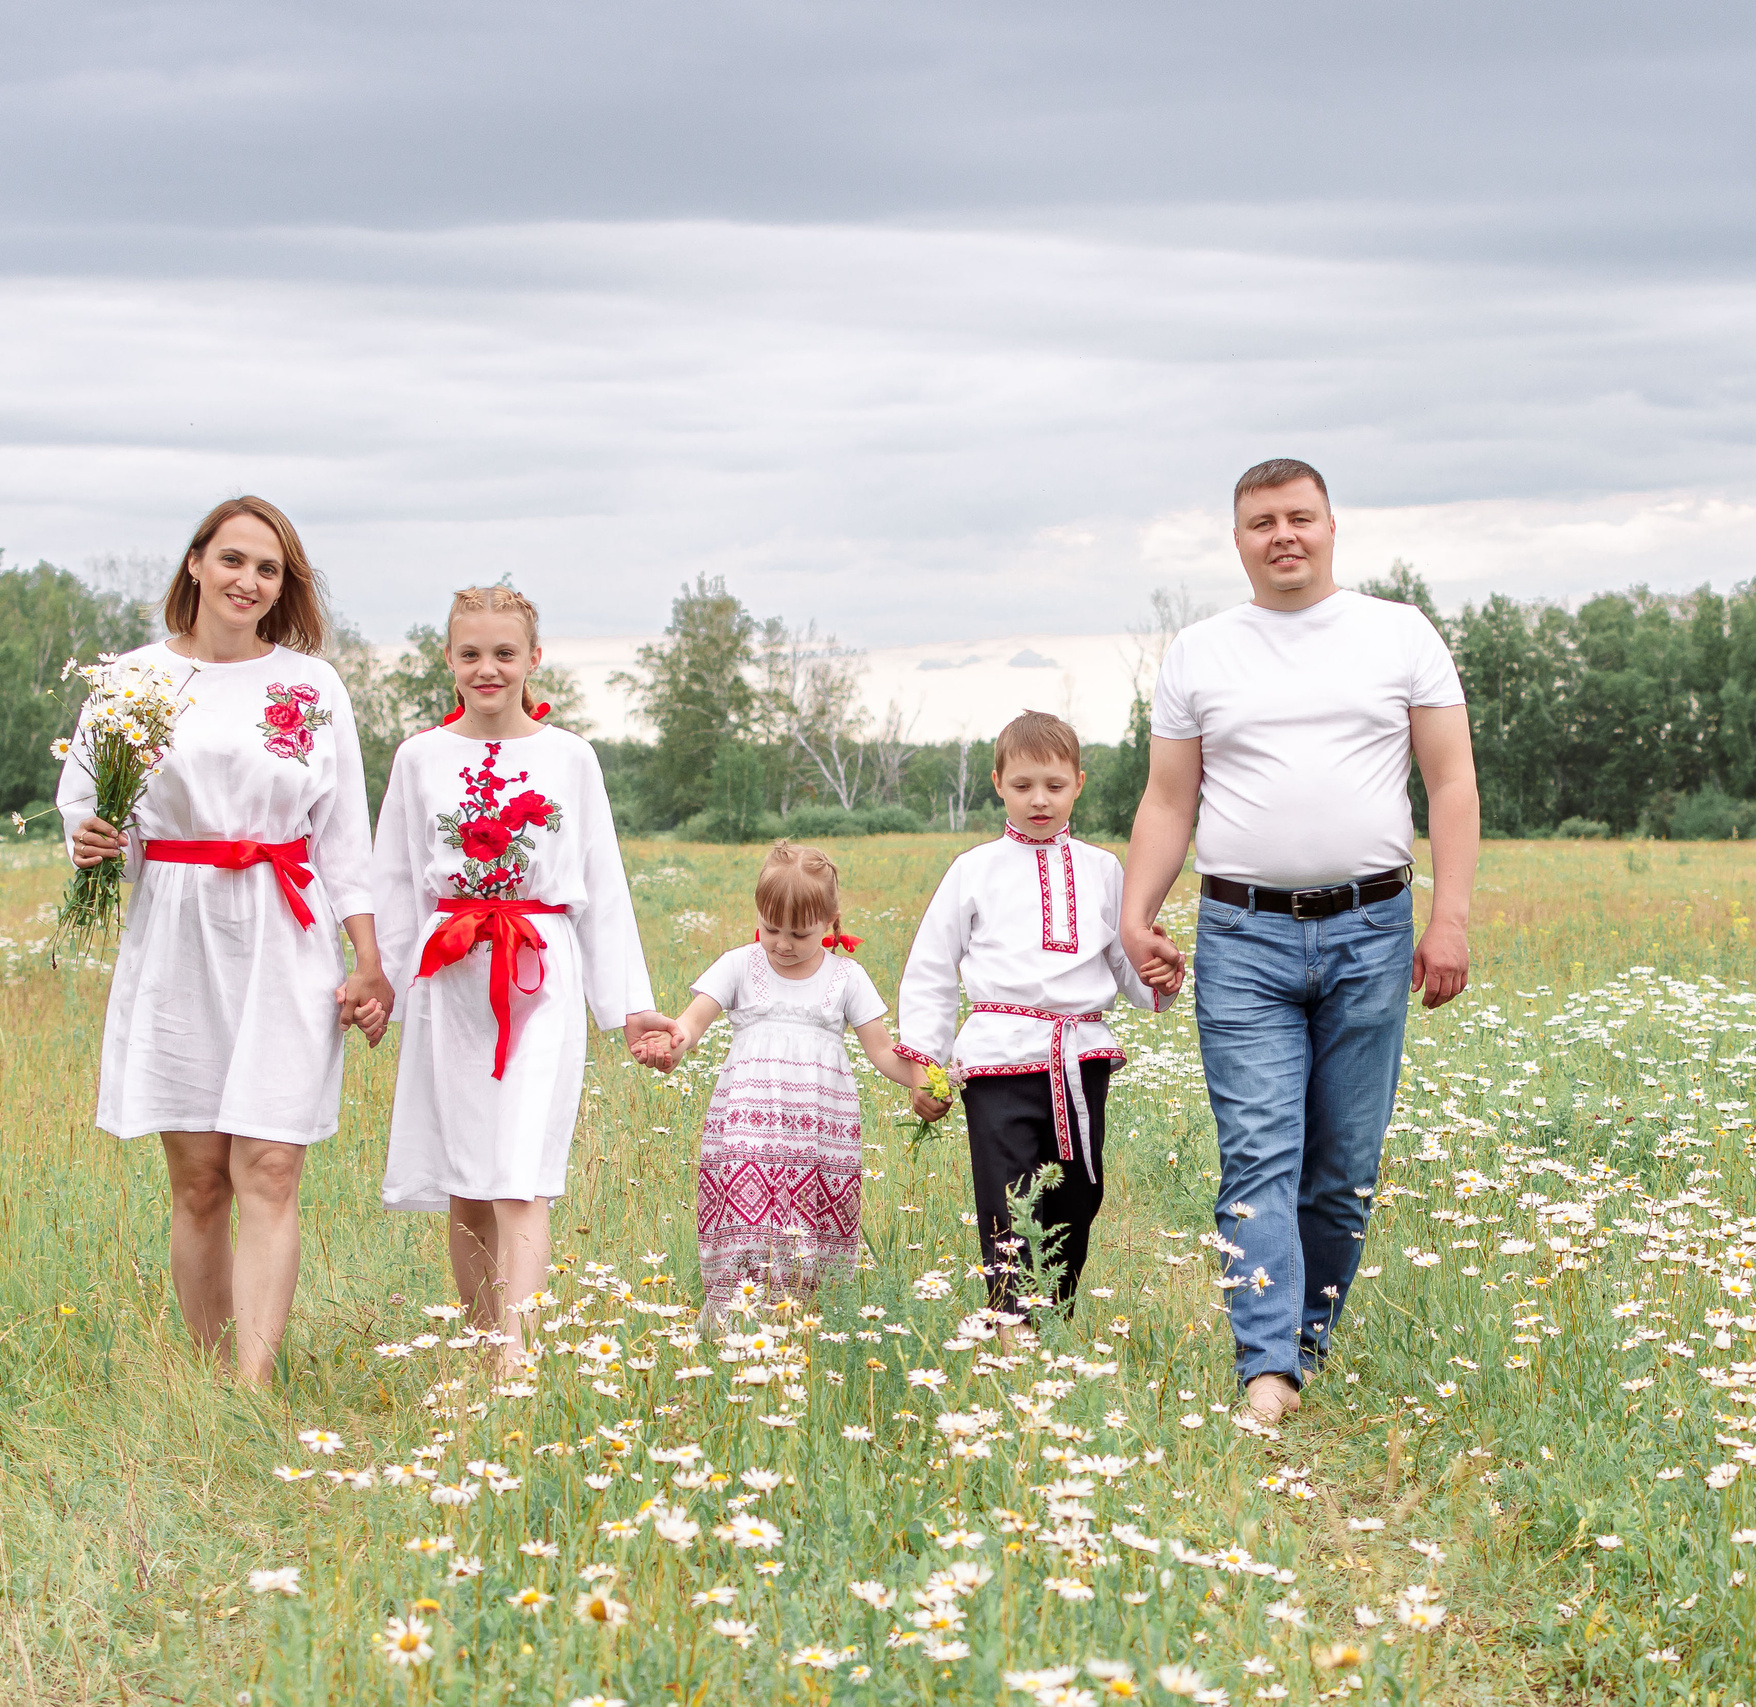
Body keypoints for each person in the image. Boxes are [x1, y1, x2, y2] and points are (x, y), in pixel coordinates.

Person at [1121, 458, 1479, 1422]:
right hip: (1242, 934)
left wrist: (1449, 918)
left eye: (1299, 518)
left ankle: (1306, 1337)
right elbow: (1168, 797)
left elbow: (1449, 782)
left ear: (1330, 525)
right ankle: (1265, 1366)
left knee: (1343, 1168)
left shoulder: (1399, 634)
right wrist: (1133, 908)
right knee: (1258, 1156)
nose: (1283, 535)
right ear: (1237, 538)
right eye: (1261, 522)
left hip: (1372, 927)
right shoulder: (1200, 653)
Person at [61, 495, 393, 1387]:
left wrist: (368, 959)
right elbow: (89, 807)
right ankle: (210, 1376)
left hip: (285, 933)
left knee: (271, 1163)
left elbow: (343, 838)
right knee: (202, 1175)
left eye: (270, 569)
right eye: (235, 560)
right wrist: (92, 841)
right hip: (177, 931)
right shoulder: (131, 680)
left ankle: (252, 1385)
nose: (249, 581)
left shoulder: (312, 687)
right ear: (197, 562)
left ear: (284, 587)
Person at [372, 586, 675, 1376]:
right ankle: (480, 1342)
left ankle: (517, 1349)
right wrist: (384, 990)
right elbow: (399, 879)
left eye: (504, 653)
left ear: (534, 659)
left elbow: (603, 885)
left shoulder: (569, 756)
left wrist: (632, 1009)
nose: (487, 668)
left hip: (539, 971)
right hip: (452, 974)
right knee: (467, 1179)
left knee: (520, 1170)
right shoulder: (418, 757)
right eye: (470, 653)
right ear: (447, 660)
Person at [898, 711, 1181, 1320]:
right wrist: (927, 1065)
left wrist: (1159, 975)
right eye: (1023, 785)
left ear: (1078, 782)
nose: (1039, 800)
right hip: (999, 1059)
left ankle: (1056, 1316)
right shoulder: (974, 870)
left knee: (1079, 1193)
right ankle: (1012, 1327)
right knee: (1008, 1198)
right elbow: (930, 967)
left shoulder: (1105, 870)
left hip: (1081, 1058)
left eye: (1054, 785)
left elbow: (1129, 966)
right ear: (998, 782)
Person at [632, 842, 929, 1317]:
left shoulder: (846, 978)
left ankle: (809, 1321)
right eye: (771, 928)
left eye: (799, 933)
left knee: (811, 1223)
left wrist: (923, 1078)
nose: (783, 944)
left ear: (830, 919)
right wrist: (669, 1046)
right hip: (747, 1126)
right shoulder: (739, 965)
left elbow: (882, 1053)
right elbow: (691, 1025)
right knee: (745, 1215)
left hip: (818, 1135)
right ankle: (737, 1318)